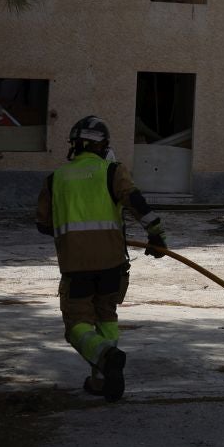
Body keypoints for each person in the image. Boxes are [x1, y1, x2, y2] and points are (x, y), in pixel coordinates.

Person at [34, 115, 167, 400]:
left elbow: (43, 225)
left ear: (74, 145)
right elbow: (136, 202)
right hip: (112, 264)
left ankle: (106, 357)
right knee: (106, 315)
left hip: (76, 266)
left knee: (77, 325)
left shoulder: (55, 179)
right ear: (103, 145)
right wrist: (156, 236)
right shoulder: (112, 171)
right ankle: (102, 381)